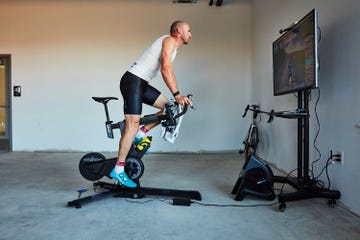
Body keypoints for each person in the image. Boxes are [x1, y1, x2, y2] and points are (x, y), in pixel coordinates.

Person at [109, 21, 192, 187]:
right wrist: (177, 94)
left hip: (140, 83)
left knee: (170, 108)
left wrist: (176, 98)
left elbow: (167, 68)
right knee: (131, 126)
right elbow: (166, 68)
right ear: (178, 31)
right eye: (188, 30)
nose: (190, 34)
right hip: (132, 81)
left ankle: (142, 132)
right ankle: (118, 170)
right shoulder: (169, 40)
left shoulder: (173, 47)